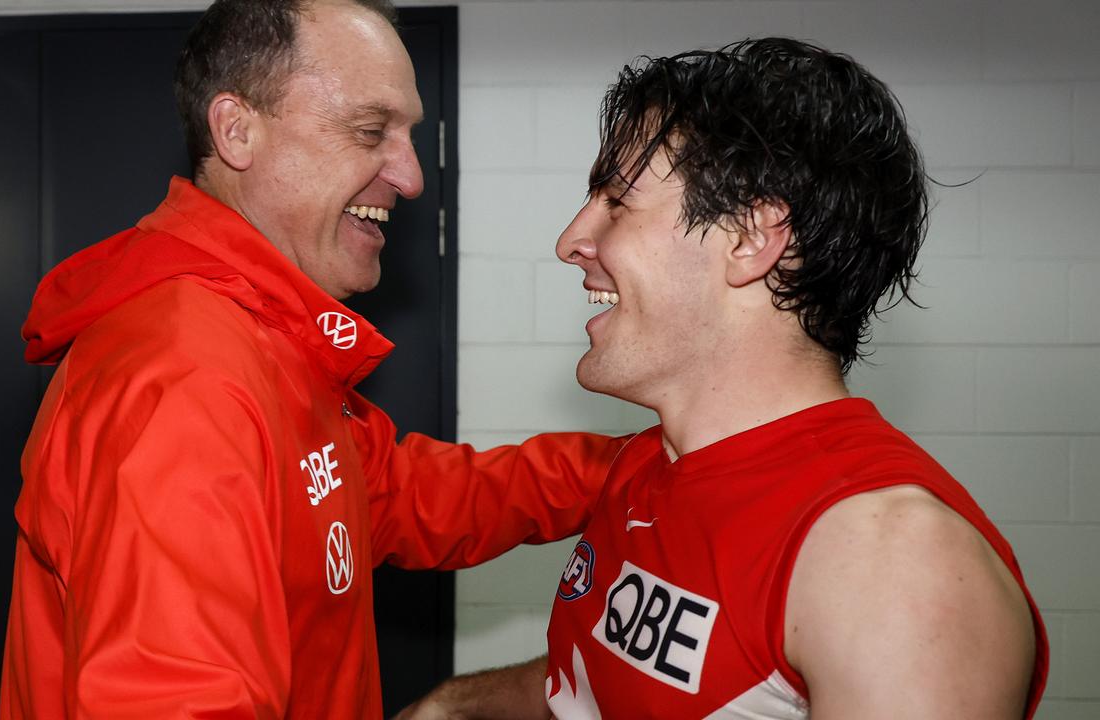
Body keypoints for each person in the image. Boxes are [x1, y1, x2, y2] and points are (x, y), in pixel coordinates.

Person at [0, 1, 626, 717]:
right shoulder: (185, 378)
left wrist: (639, 466)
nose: (412, 176)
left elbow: (406, 495)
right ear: (238, 131)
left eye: (408, 135)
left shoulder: (264, 340)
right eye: (370, 131)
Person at [398, 38, 1048, 719]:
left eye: (617, 202)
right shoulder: (648, 464)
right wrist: (456, 704)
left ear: (750, 238)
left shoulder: (898, 565)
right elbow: (611, 681)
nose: (571, 241)